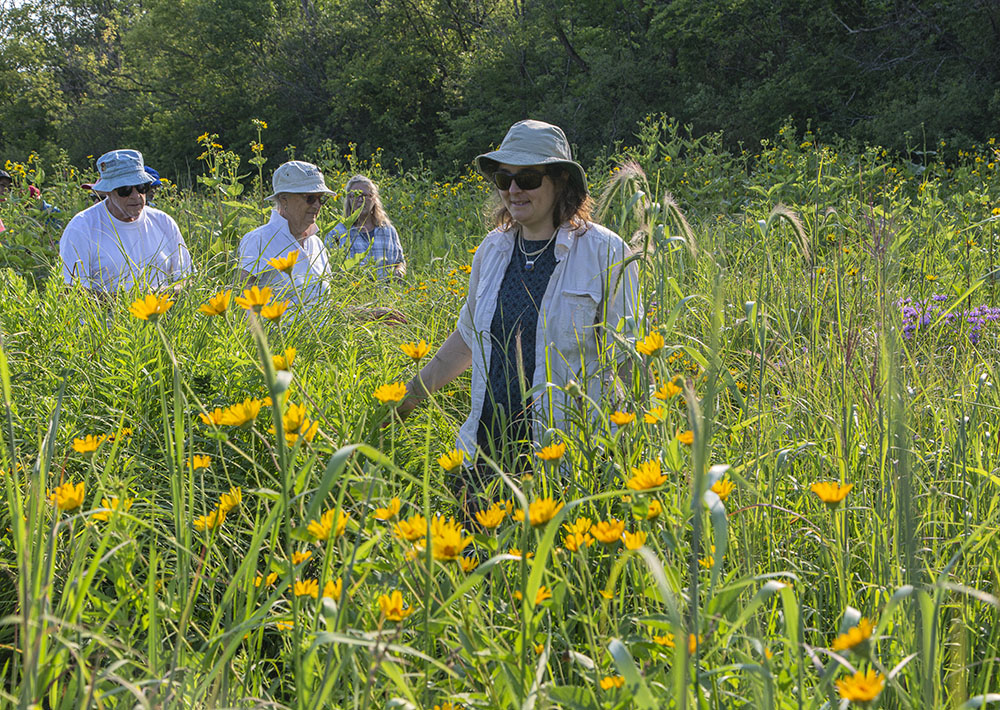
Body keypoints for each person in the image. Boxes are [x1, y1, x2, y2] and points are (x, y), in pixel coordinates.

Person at [398, 119, 640, 493]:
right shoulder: (492, 250)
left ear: (561, 182)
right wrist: (406, 399)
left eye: (527, 179)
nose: (513, 190)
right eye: (503, 178)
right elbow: (466, 341)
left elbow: (629, 361)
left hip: (565, 465)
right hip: (485, 458)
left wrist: (641, 447)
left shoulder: (605, 253)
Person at [59, 149, 192, 292]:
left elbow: (187, 280)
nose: (136, 196)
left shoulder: (163, 222)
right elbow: (72, 291)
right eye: (125, 190)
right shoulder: (82, 227)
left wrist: (157, 294)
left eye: (142, 187)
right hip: (108, 314)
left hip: (164, 313)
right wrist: (132, 301)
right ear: (108, 192)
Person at [238, 160, 333, 309]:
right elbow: (242, 300)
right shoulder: (259, 240)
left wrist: (368, 314)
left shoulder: (316, 244)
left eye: (322, 198)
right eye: (310, 198)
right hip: (276, 331)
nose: (317, 205)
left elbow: (326, 304)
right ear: (284, 199)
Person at [328, 175, 406, 280]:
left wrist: (399, 270)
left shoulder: (388, 230)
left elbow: (400, 261)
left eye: (365, 195)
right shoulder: (337, 232)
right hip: (353, 294)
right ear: (349, 199)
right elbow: (328, 267)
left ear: (374, 198)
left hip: (386, 294)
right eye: (355, 195)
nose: (360, 200)